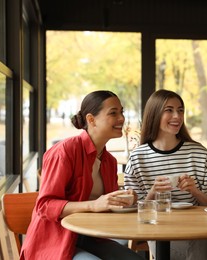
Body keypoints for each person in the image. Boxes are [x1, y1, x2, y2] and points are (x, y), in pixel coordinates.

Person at [20, 90, 144, 260]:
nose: (121, 118)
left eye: (121, 112)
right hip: (54, 240)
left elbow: (108, 206)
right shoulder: (64, 152)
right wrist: (93, 205)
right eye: (113, 113)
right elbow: (45, 205)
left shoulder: (109, 161)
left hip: (91, 236)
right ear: (91, 119)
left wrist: (126, 200)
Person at [124, 89, 207, 260]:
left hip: (205, 232)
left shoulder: (199, 153)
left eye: (180, 110)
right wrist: (152, 192)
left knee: (201, 243)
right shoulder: (137, 158)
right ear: (155, 114)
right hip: (162, 234)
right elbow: (132, 210)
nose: (177, 116)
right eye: (169, 110)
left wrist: (195, 192)